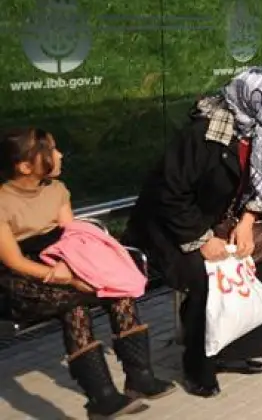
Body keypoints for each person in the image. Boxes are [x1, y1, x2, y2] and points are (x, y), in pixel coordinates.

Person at [125, 68, 262, 398]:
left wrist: (246, 223)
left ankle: (232, 351)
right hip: (167, 227)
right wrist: (202, 239)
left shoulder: (261, 130)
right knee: (204, 280)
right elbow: (170, 194)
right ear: (255, 99)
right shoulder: (203, 134)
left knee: (250, 259)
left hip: (216, 218)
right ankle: (197, 364)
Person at [0, 128, 174, 417]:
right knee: (76, 305)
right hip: (20, 279)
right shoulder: (3, 201)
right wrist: (68, 277)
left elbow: (72, 239)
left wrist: (83, 271)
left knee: (118, 292)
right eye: (50, 151)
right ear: (24, 166)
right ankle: (102, 397)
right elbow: (15, 261)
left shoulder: (57, 190)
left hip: (63, 261)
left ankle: (139, 378)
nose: (59, 155)